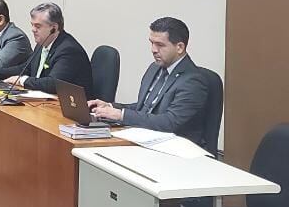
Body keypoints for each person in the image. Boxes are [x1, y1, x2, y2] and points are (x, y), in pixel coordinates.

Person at [89, 16, 208, 146]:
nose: (153, 50)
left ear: (179, 47)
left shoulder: (193, 81)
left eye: (160, 45)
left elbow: (170, 122)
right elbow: (145, 108)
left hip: (174, 148)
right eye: (152, 43)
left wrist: (121, 115)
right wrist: (110, 107)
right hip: (146, 140)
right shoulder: (155, 68)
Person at [0, 2, 96, 97]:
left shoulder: (69, 50)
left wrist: (22, 80)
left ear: (54, 28)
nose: (33, 29)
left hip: (72, 105)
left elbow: (53, 84)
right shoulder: (42, 44)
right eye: (32, 25)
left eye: (38, 26)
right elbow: (25, 69)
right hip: (45, 101)